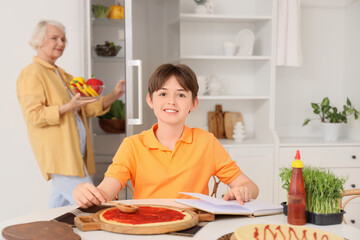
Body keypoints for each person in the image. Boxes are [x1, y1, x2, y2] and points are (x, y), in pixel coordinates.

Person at [73, 63, 259, 208]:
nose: (171, 101)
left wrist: (243, 191)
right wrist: (87, 193)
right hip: (148, 229)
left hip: (195, 230)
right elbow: (106, 190)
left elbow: (250, 186)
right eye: (163, 94)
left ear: (193, 103)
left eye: (180, 95)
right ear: (150, 100)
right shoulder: (132, 145)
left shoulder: (206, 142)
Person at [17, 20, 125, 208]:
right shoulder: (31, 74)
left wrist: (115, 95)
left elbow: (89, 108)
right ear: (39, 41)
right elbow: (33, 115)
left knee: (58, 210)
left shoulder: (63, 75)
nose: (61, 43)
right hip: (61, 156)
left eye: (63, 39)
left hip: (75, 155)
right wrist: (68, 107)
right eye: (54, 38)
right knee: (92, 204)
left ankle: (48, 234)